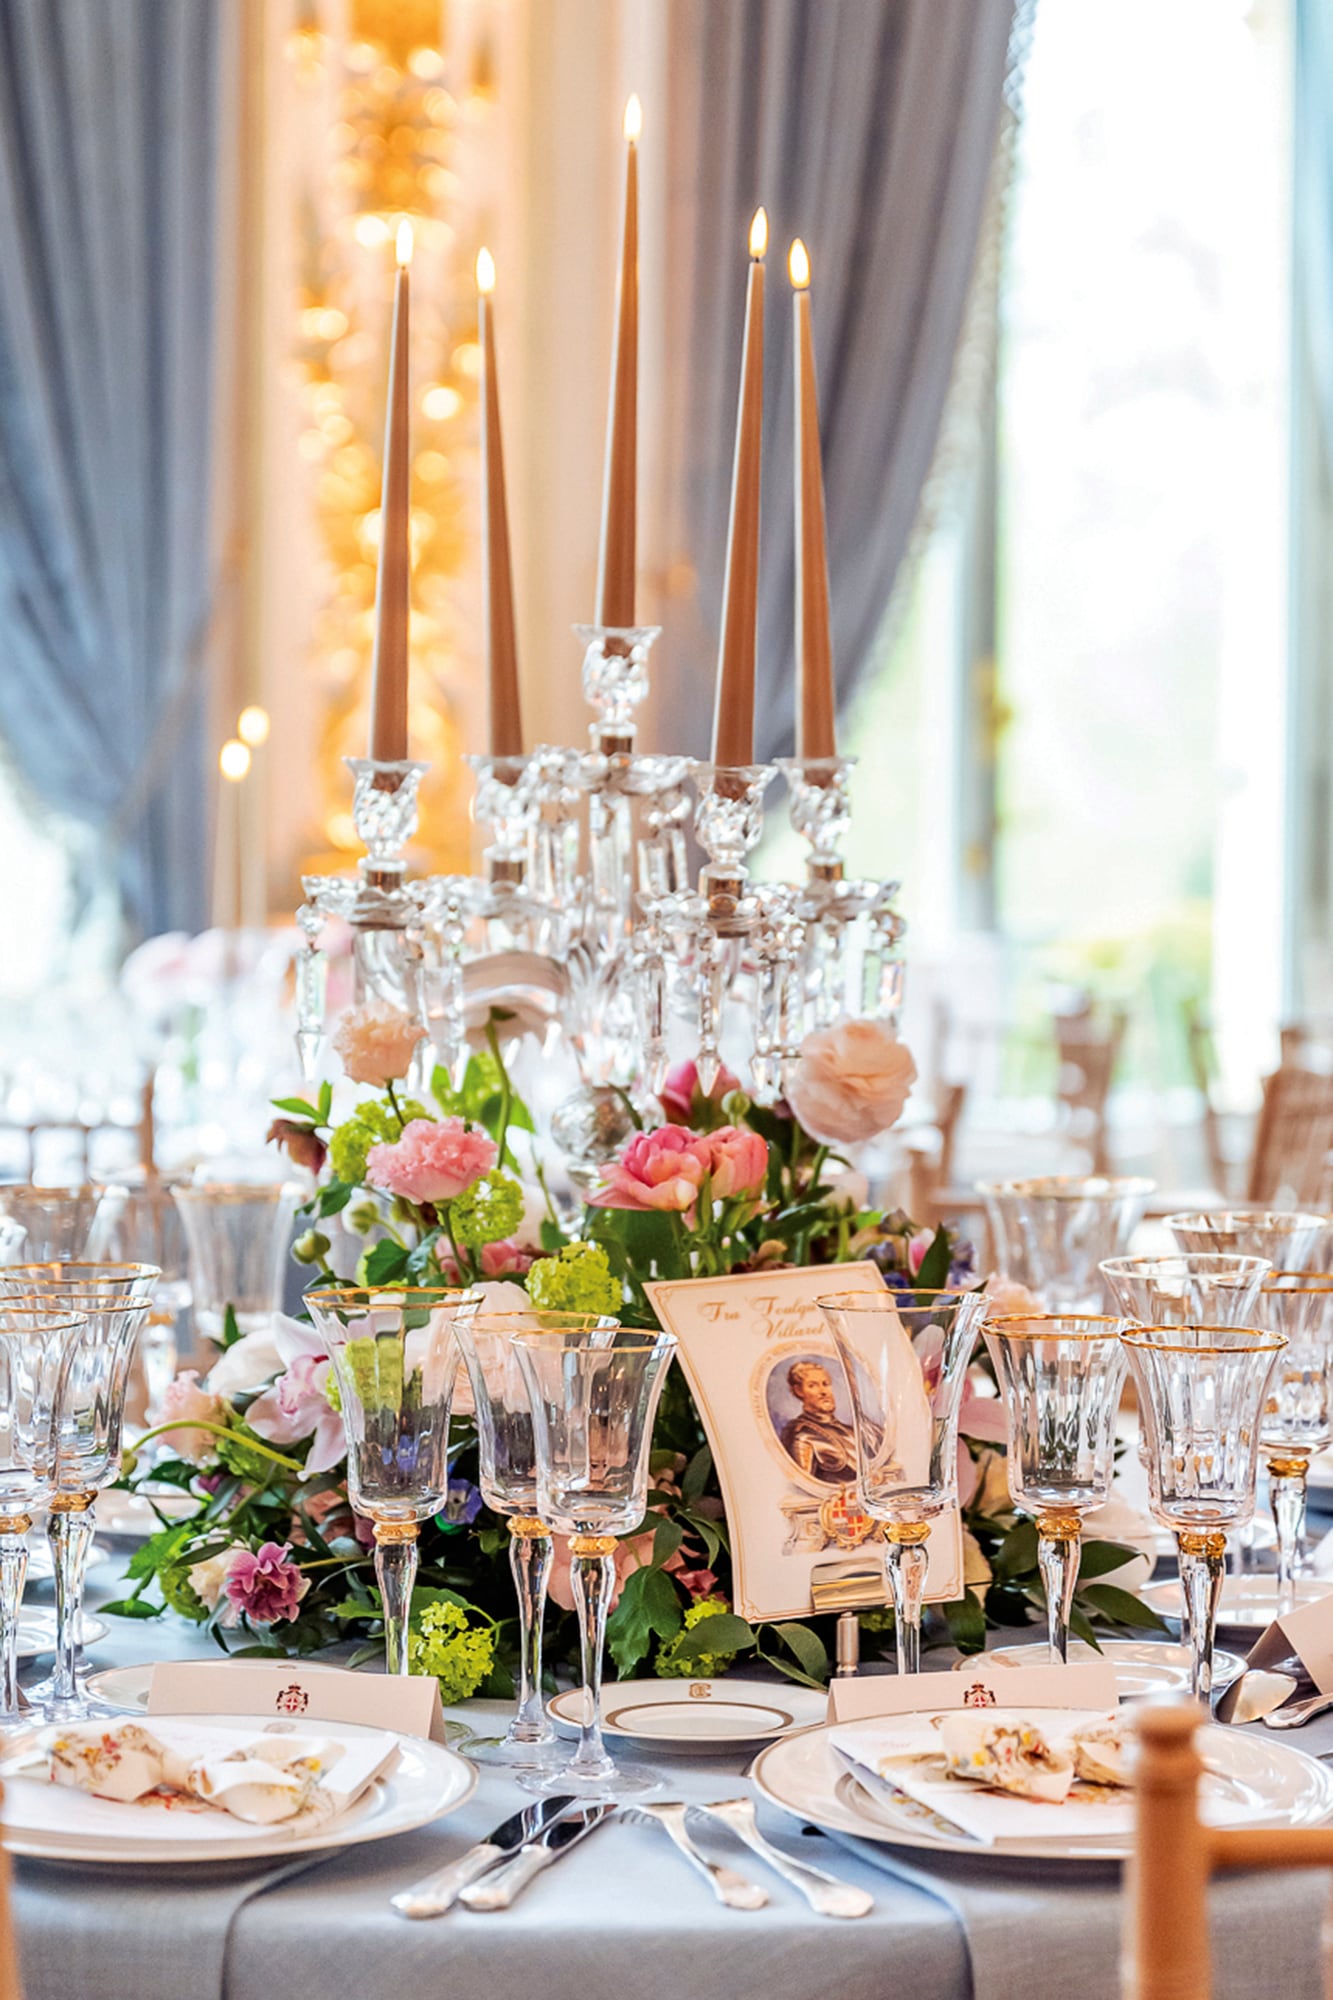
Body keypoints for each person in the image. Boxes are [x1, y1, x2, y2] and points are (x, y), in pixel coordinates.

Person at [780, 1359, 862, 1486]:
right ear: (799, 1391)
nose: (823, 1391)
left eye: (826, 1384)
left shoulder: (852, 1430)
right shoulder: (802, 1436)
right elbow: (804, 1487)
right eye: (813, 1385)